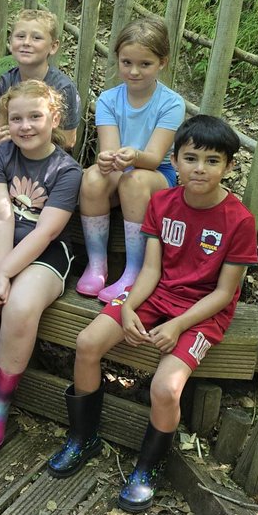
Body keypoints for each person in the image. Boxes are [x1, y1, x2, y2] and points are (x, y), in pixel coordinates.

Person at [48, 115, 257, 514]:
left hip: (201, 313)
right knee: (87, 342)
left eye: (212, 161)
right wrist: (127, 306)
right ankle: (83, 437)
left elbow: (224, 293)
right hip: (155, 295)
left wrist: (178, 325)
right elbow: (150, 271)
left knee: (165, 388)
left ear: (229, 166)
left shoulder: (239, 221)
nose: (200, 168)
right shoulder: (161, 202)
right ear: (174, 161)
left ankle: (149, 465)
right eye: (191, 158)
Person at [0, 80, 82, 450]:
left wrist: (5, 274)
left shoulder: (67, 171)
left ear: (54, 118)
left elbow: (46, 231)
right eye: (17, 118)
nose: (25, 126)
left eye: (35, 117)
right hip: (0, 240)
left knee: (21, 307)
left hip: (46, 251)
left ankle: (0, 403)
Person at [76, 17, 185, 303]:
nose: (134, 71)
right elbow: (109, 152)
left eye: (144, 64)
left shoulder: (171, 103)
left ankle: (134, 271)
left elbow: (154, 157)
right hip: (123, 171)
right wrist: (105, 160)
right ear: (117, 59)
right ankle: (97, 264)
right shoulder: (109, 100)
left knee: (134, 181)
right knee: (91, 177)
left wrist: (133, 156)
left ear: (162, 62)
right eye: (126, 63)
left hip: (156, 176)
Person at [0, 9, 81, 166]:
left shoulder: (63, 87)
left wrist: (29, 137)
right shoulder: (7, 80)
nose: (26, 42)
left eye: (36, 38)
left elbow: (69, 140)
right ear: (11, 41)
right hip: (12, 146)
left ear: (53, 47)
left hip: (48, 155)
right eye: (20, 36)